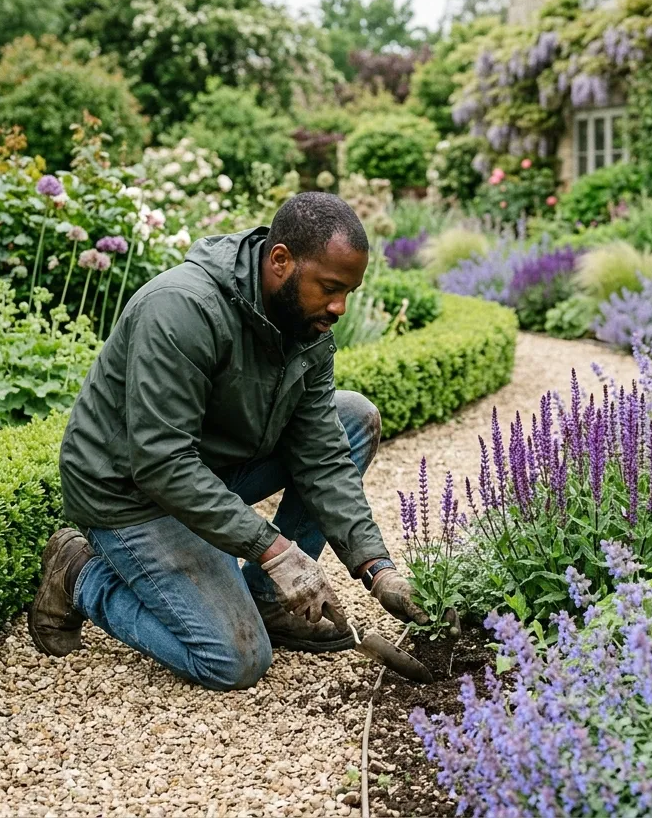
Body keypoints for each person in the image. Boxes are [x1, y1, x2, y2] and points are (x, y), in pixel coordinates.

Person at [28, 192, 439, 690]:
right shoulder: (181, 309)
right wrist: (275, 550)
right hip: (131, 491)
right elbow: (162, 462)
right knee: (235, 660)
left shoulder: (304, 325)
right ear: (281, 260)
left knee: (352, 417)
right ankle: (79, 575)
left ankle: (268, 599)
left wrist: (378, 570)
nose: (340, 307)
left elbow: (324, 456)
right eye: (331, 288)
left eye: (349, 291)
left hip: (211, 471)